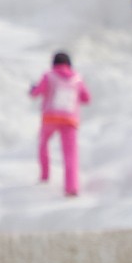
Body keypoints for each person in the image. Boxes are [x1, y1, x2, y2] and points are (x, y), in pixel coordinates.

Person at [28, 52, 90, 198]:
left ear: (53, 63)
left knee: (43, 144)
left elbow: (36, 93)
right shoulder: (77, 78)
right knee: (70, 154)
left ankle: (44, 176)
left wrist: (33, 89)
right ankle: (71, 188)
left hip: (50, 118)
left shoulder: (49, 76)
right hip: (70, 119)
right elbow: (86, 98)